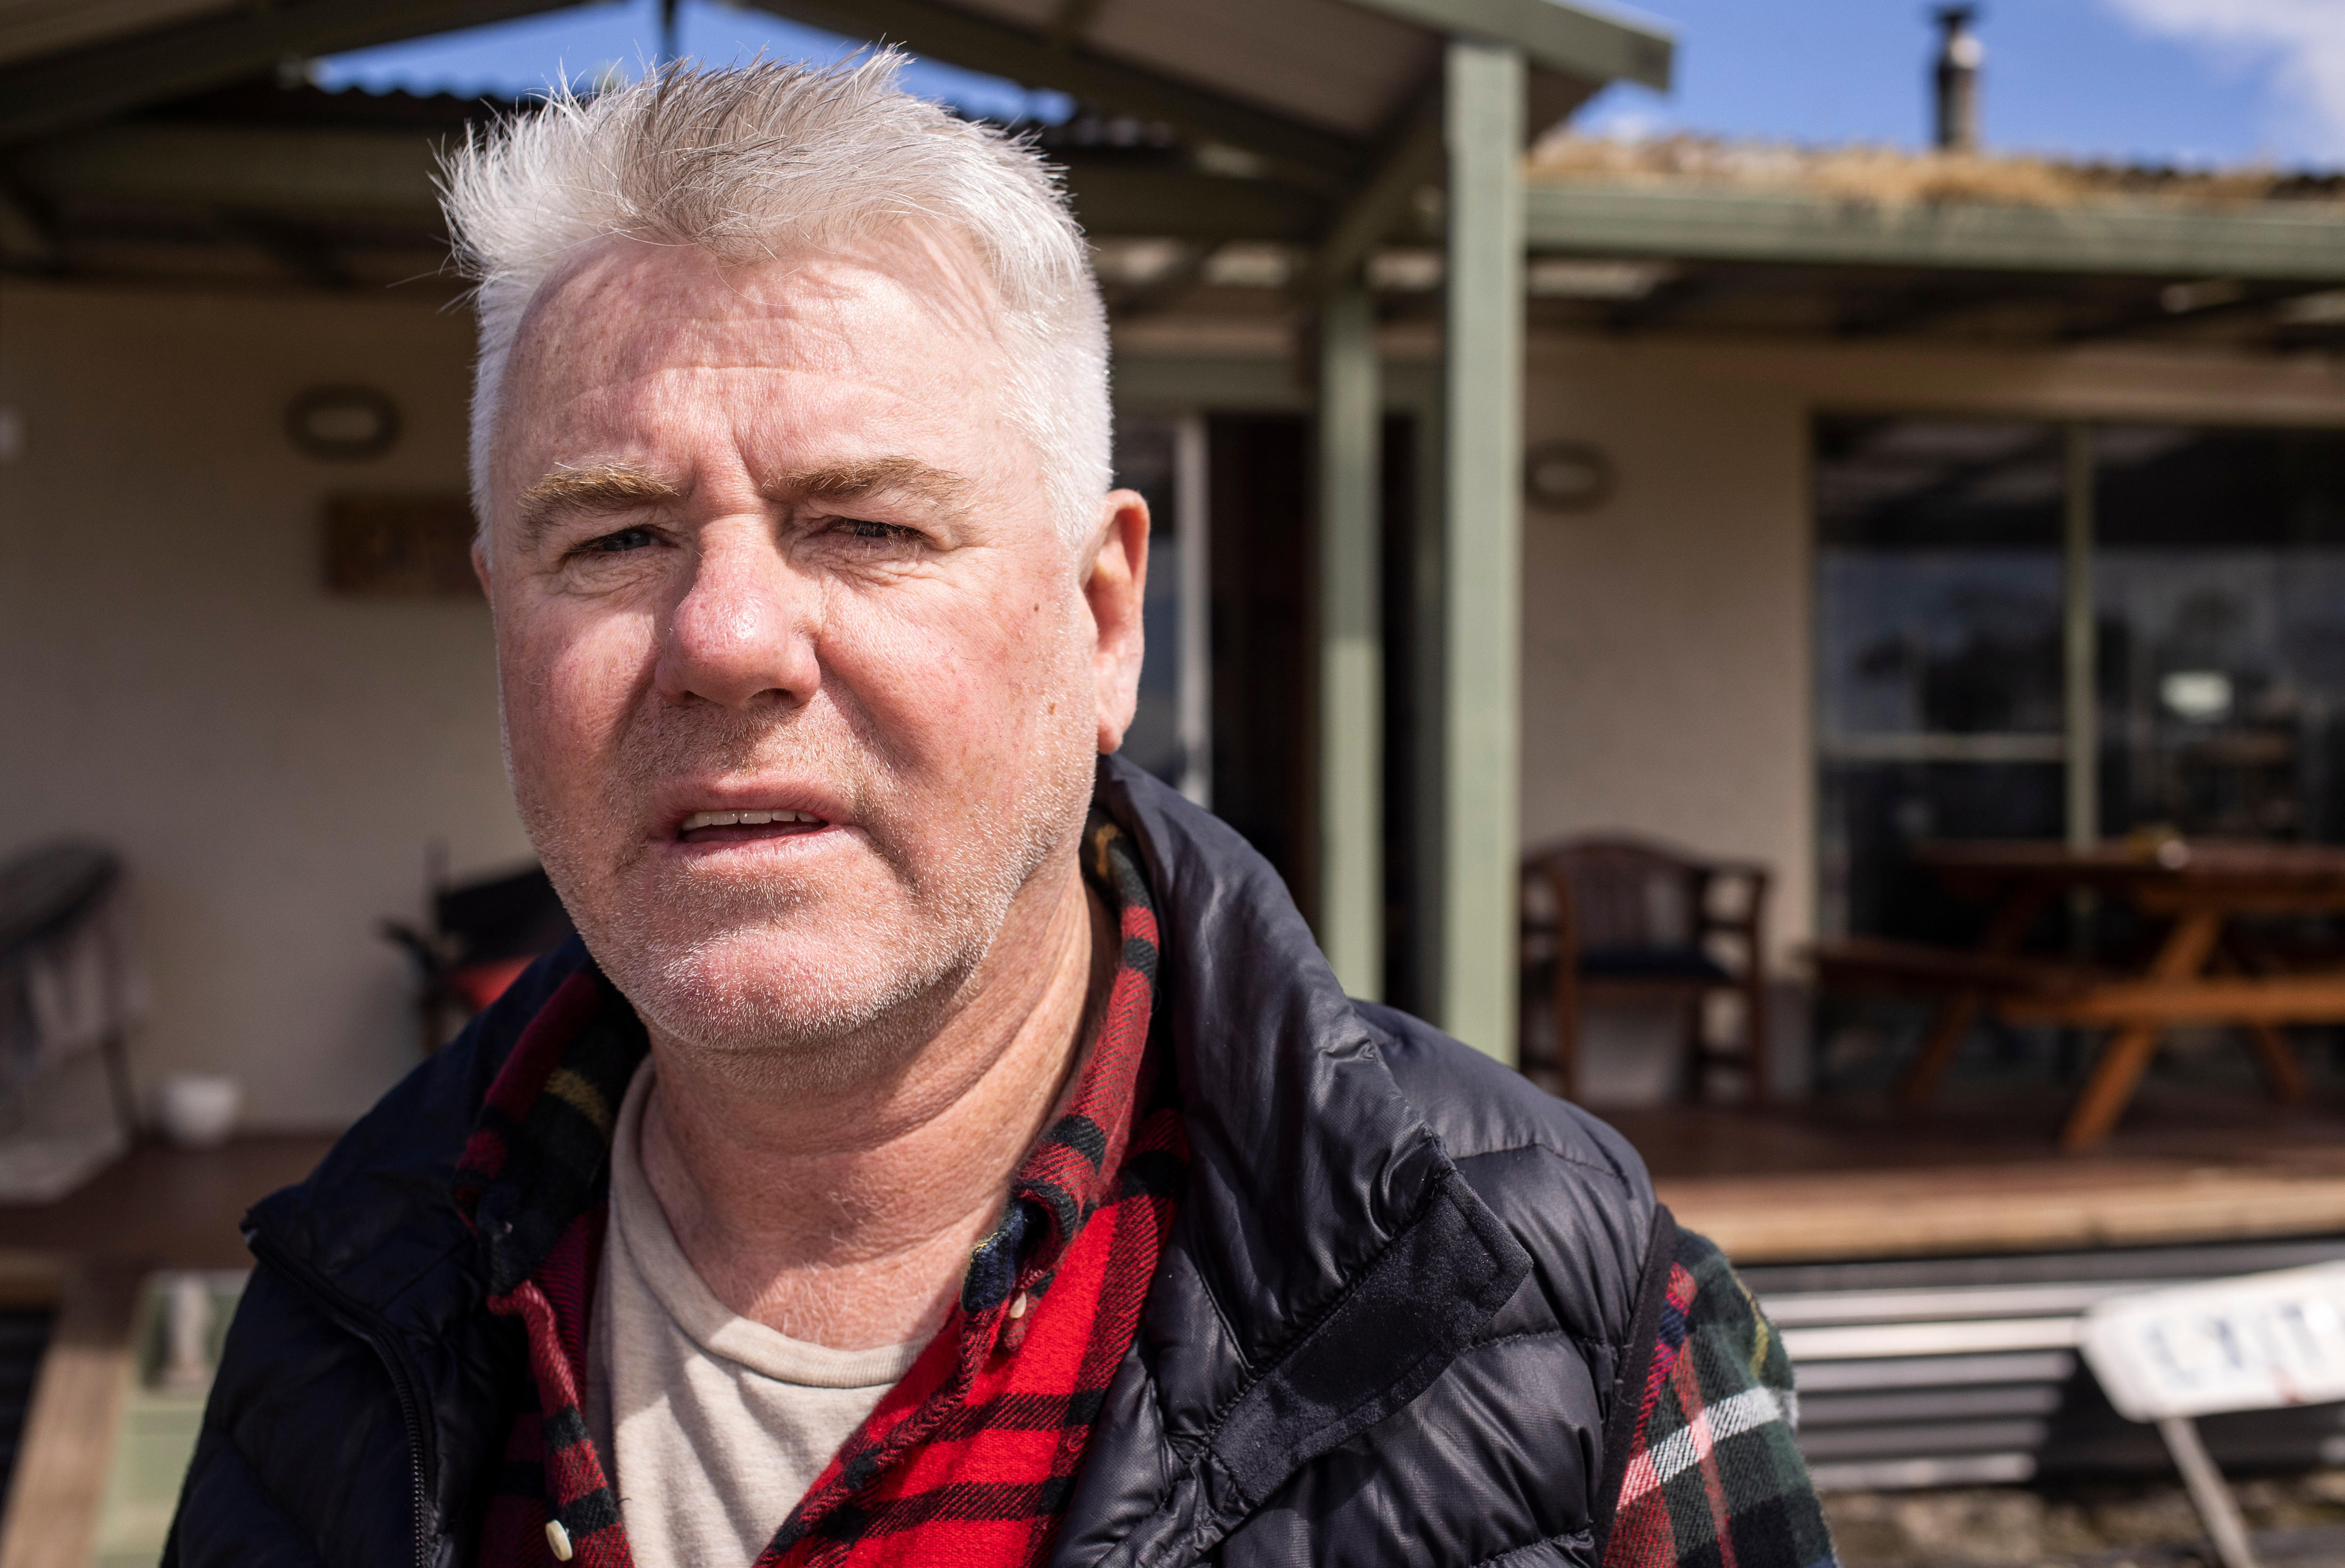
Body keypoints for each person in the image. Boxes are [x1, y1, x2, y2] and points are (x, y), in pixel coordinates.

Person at [167, 57, 1833, 1568]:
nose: (727, 640)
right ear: (501, 625)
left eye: (865, 524)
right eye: (610, 540)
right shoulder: (333, 1321)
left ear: (1104, 621)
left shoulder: (1569, 1319)